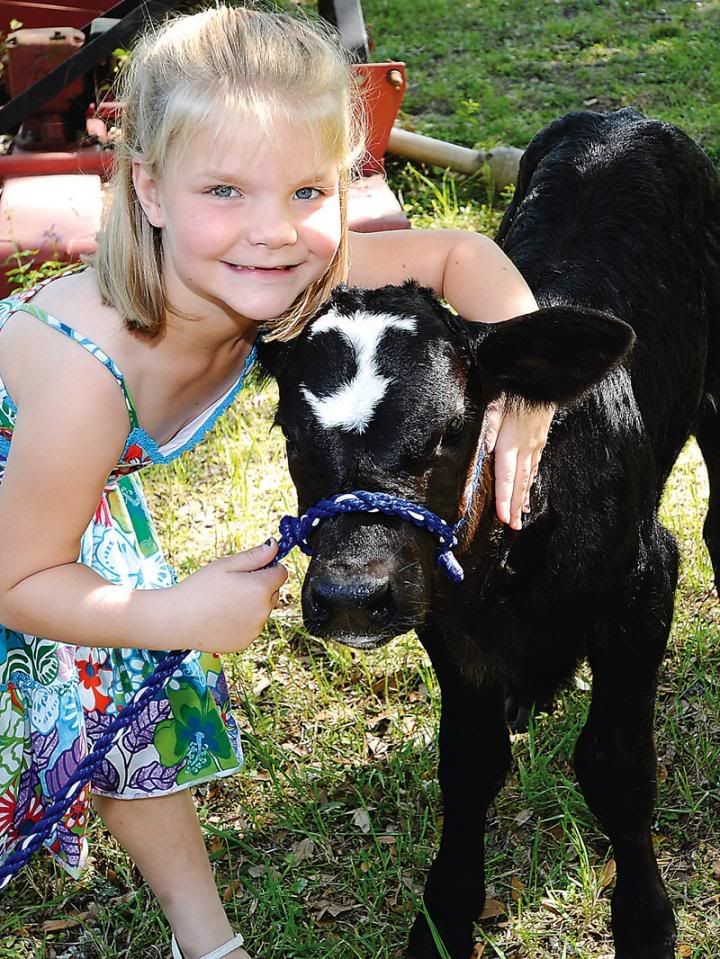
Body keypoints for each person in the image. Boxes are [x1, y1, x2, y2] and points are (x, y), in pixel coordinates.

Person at [0, 6, 552, 958]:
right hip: (25, 507)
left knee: (129, 695)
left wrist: (528, 392)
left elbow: (464, 255)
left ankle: (207, 945)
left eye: (308, 187)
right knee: (93, 662)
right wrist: (176, 610)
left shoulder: (292, 267)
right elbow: (15, 578)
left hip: (69, 495)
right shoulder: (89, 372)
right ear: (150, 188)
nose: (273, 229)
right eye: (224, 187)